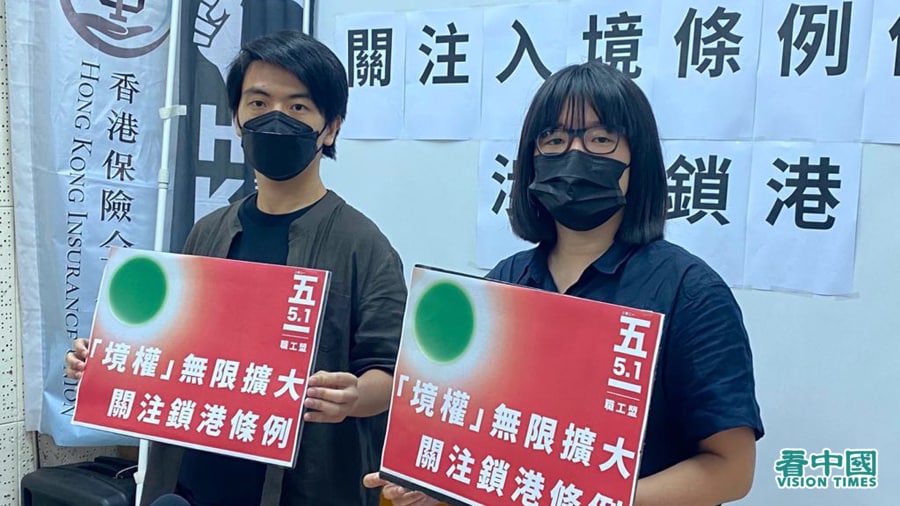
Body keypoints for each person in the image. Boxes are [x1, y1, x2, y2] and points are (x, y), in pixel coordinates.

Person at [365, 61, 764, 506]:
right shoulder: (506, 284)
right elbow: (483, 444)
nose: (574, 154)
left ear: (639, 158)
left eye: (600, 139)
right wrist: (435, 484)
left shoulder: (690, 292)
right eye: (554, 139)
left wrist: (591, 499)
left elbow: (732, 468)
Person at [65, 30, 407, 506]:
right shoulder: (208, 233)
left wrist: (353, 396)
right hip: (192, 480)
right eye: (259, 102)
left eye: (298, 107)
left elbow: (392, 375)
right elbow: (173, 347)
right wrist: (109, 358)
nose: (275, 118)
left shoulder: (363, 245)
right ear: (238, 119)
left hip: (301, 486)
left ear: (330, 128)